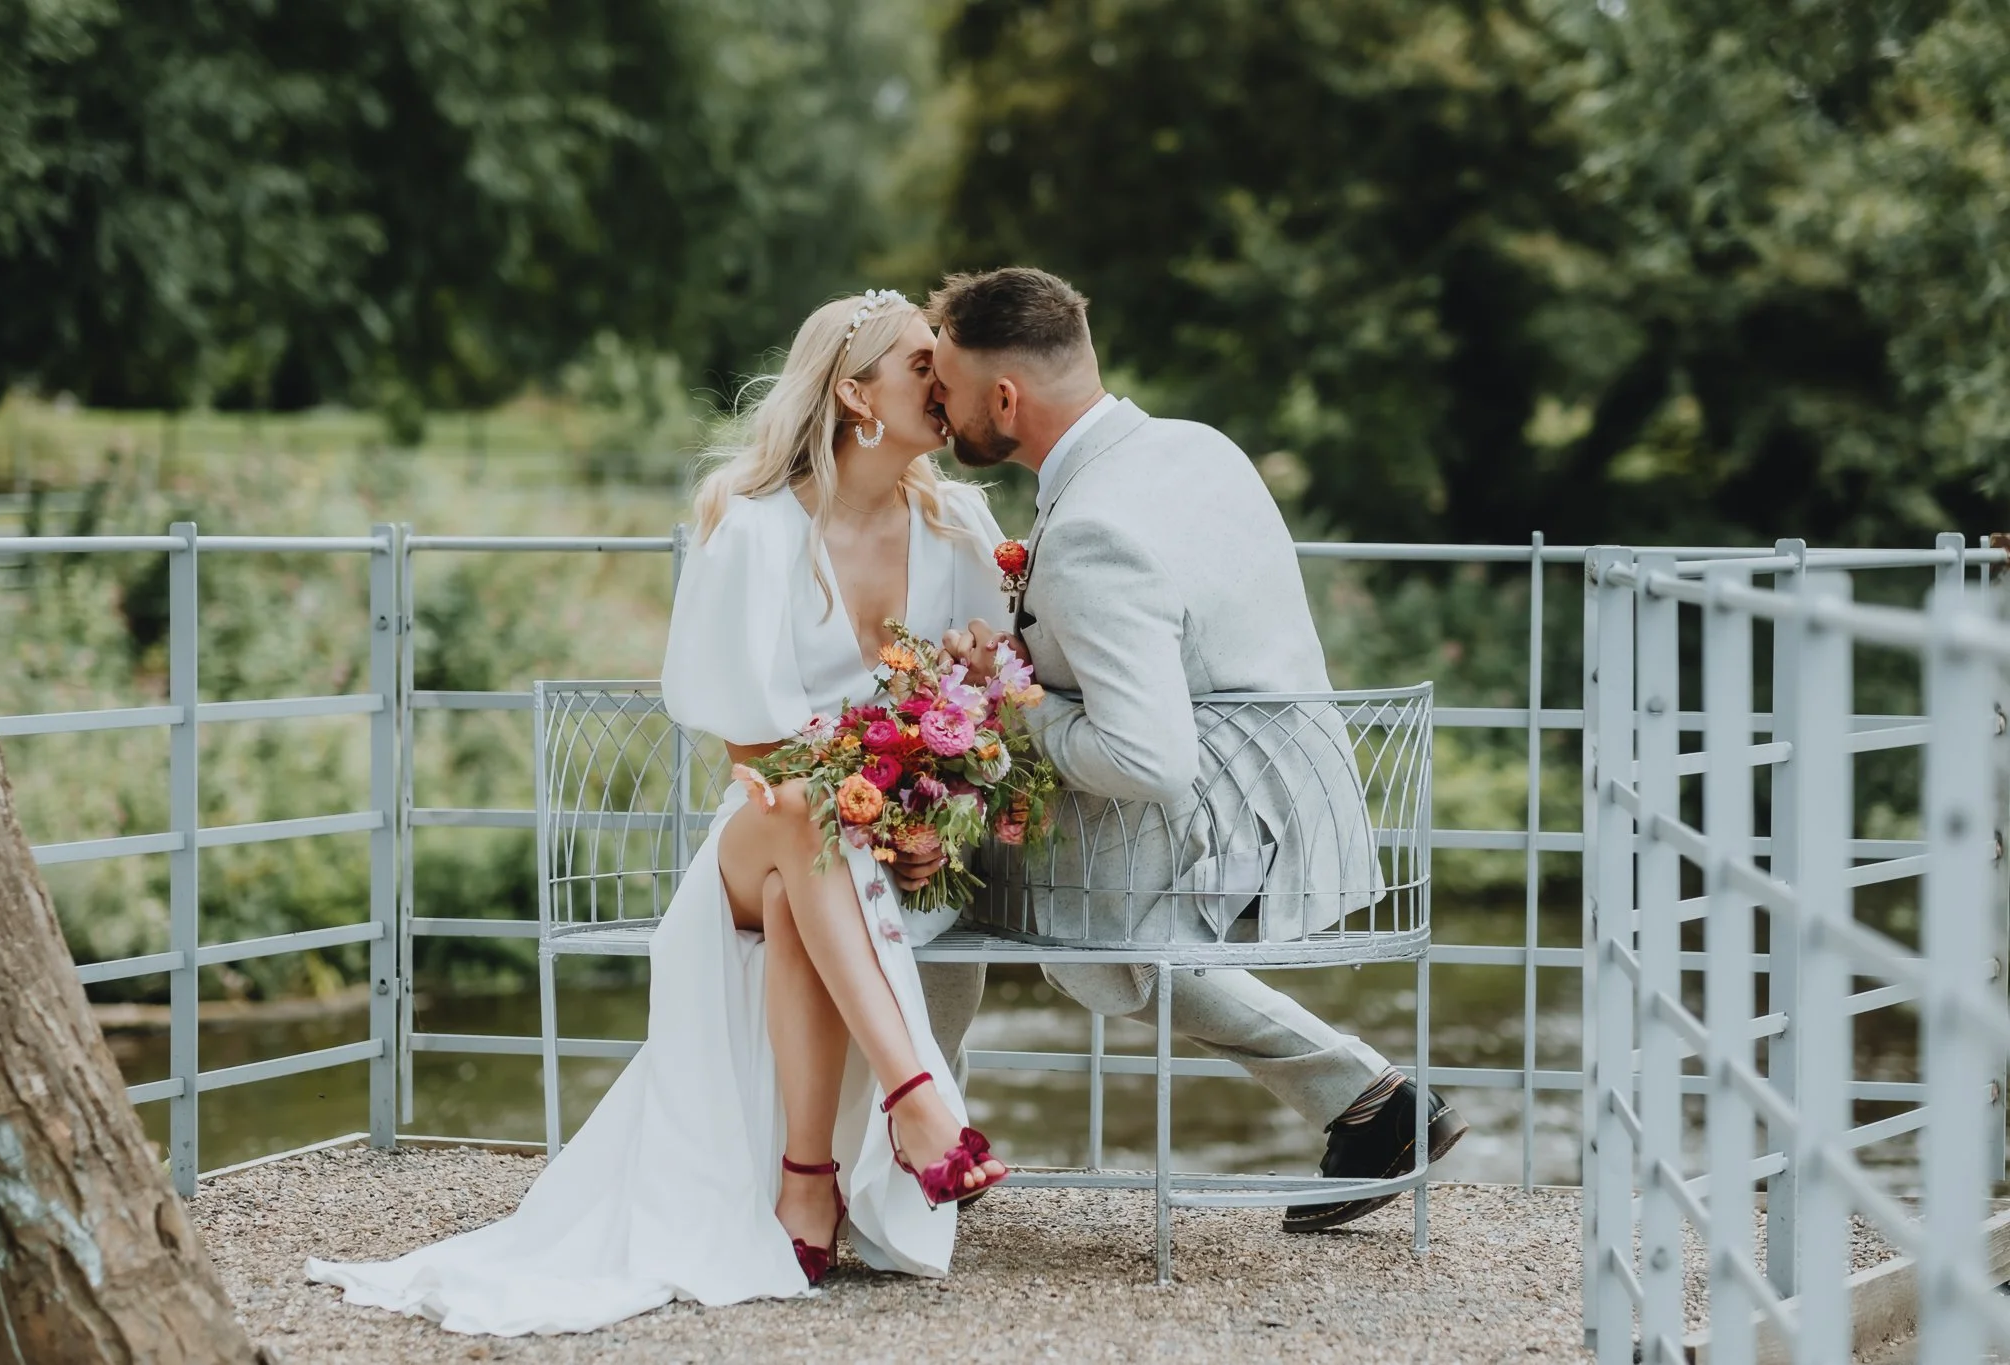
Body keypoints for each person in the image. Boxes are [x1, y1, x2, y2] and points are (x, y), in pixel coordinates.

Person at [305, 290, 1010, 1335]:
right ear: (856, 393)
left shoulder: (959, 529)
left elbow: (985, 715)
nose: (943, 382)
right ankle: (917, 1098)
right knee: (799, 816)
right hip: (764, 822)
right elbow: (746, 750)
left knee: (797, 891)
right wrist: (850, 791)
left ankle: (805, 1182)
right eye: (920, 365)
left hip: (883, 859)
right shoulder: (761, 526)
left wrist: (928, 821)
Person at [910, 266, 1468, 1232]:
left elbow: (1149, 759)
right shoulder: (1188, 445)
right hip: (1300, 779)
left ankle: (914, 1150)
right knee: (959, 850)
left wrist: (1008, 699)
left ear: (1005, 397)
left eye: (948, 391)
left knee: (924, 851)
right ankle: (1371, 1100)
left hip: (1210, 810)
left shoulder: (1090, 529)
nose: (939, 410)